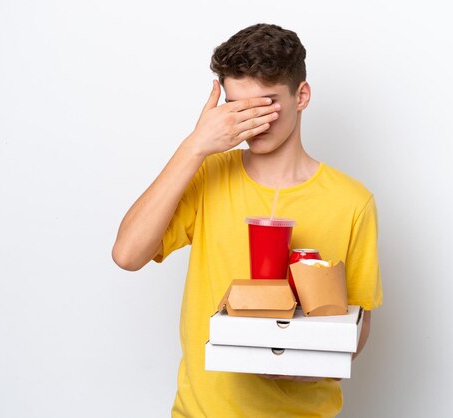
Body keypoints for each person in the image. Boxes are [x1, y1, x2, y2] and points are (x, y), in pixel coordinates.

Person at [112, 23, 382, 418]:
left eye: (267, 103)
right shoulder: (206, 174)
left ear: (301, 96)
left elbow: (359, 319)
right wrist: (194, 146)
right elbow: (127, 254)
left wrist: (307, 362)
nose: (253, 120)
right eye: (238, 106)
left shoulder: (352, 201)